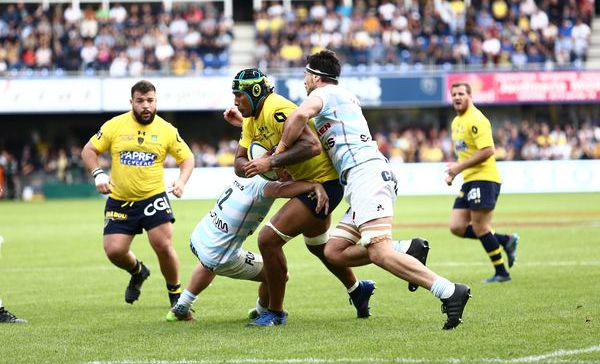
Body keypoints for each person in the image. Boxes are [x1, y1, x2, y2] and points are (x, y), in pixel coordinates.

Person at [254, 50, 471, 330]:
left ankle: (450, 291)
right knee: (334, 251)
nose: (304, 81)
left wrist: (276, 155)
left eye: (306, 76)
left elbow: (297, 116)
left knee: (379, 253)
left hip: (366, 174)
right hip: (360, 180)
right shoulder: (337, 98)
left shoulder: (326, 94)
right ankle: (407, 249)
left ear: (316, 77)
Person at [227, 68, 373, 327]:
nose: (236, 101)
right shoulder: (250, 120)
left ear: (255, 92)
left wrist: (270, 161)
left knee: (268, 240)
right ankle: (357, 289)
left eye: (239, 95)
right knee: (318, 246)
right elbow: (239, 162)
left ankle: (275, 312)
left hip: (323, 184)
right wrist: (255, 164)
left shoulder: (276, 109)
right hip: (307, 185)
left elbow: (312, 145)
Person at [81, 80, 194, 307]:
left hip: (153, 197)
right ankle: (138, 271)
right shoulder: (115, 125)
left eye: (150, 101)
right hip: (120, 200)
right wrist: (98, 174)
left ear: (156, 101)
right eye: (140, 101)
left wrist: (181, 181)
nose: (145, 106)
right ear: (131, 102)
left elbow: (187, 158)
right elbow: (89, 150)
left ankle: (176, 297)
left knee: (162, 244)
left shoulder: (166, 130)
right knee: (114, 251)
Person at [166, 169, 329, 322]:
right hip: (221, 255)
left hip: (200, 237)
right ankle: (261, 311)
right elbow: (280, 190)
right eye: (287, 169)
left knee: (208, 263)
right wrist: (313, 185)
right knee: (278, 273)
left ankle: (181, 306)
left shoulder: (244, 173)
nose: (290, 172)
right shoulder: (266, 185)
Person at [445, 82, 519, 283]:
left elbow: (488, 151)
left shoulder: (477, 119)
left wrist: (458, 168)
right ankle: (506, 240)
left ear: (470, 96)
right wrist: (454, 172)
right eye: (454, 94)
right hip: (469, 180)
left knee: (480, 227)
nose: (457, 97)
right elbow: (466, 153)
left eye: (461, 93)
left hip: (485, 178)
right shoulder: (455, 122)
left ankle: (502, 273)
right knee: (457, 226)